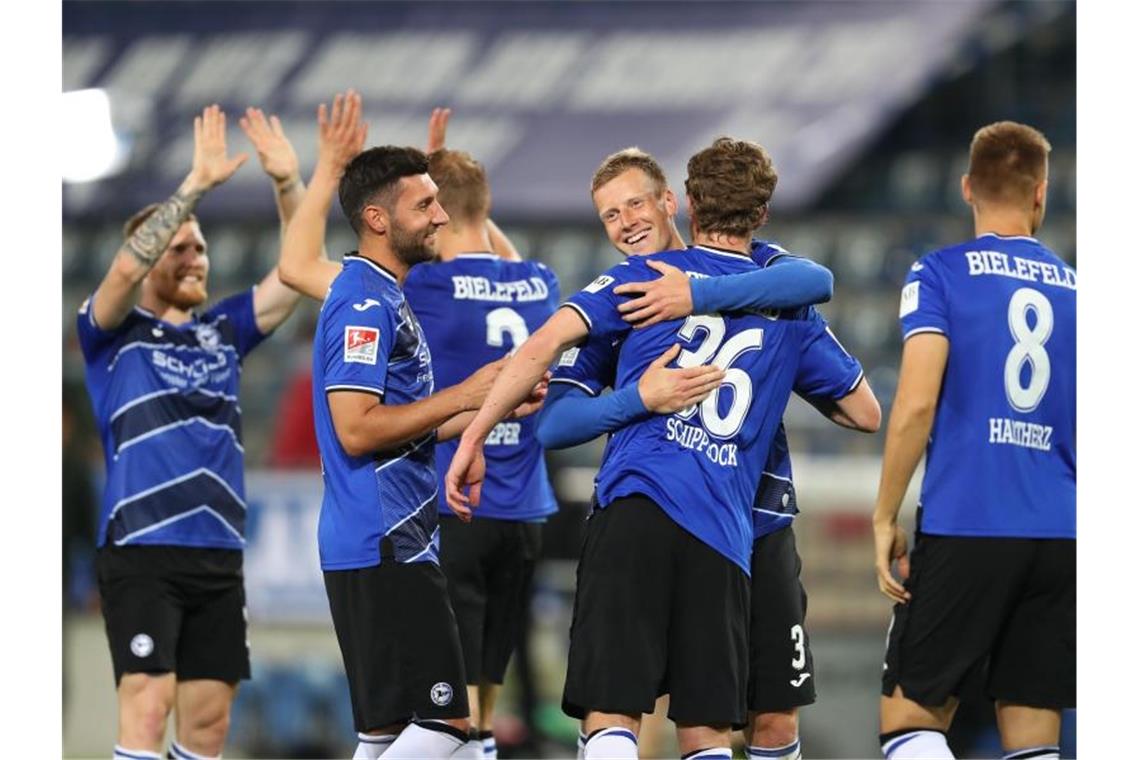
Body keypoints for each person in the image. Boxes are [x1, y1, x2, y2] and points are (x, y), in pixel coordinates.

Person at [447, 137, 859, 760]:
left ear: (678, 201)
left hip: (749, 524)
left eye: (635, 205)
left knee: (705, 716)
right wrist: (641, 396)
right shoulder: (670, 290)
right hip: (707, 517)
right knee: (703, 725)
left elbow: (822, 296)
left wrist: (697, 297)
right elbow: (555, 422)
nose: (626, 222)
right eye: (610, 215)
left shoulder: (769, 281)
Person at [279, 102, 558, 760]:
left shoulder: (397, 292)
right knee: (447, 725)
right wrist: (464, 395)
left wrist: (480, 417)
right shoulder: (365, 301)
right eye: (423, 205)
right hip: (385, 540)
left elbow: (398, 424)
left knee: (386, 732)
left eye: (440, 202)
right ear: (378, 220)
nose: (438, 216)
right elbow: (355, 429)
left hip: (400, 535)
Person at [77, 104, 306, 760]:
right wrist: (194, 188)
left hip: (217, 553)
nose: (195, 256)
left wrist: (289, 186)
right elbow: (121, 274)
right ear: (149, 259)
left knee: (207, 727)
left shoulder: (221, 331)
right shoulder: (112, 335)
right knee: (146, 708)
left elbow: (293, 275)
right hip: (143, 548)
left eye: (200, 246)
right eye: (178, 246)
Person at [872, 121, 1074, 760]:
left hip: (970, 523)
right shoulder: (1083, 291)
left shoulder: (939, 273)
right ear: (1040, 193)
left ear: (966, 188)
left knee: (909, 720)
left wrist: (884, 514)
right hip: (1063, 533)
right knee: (1034, 730)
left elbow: (916, 404)